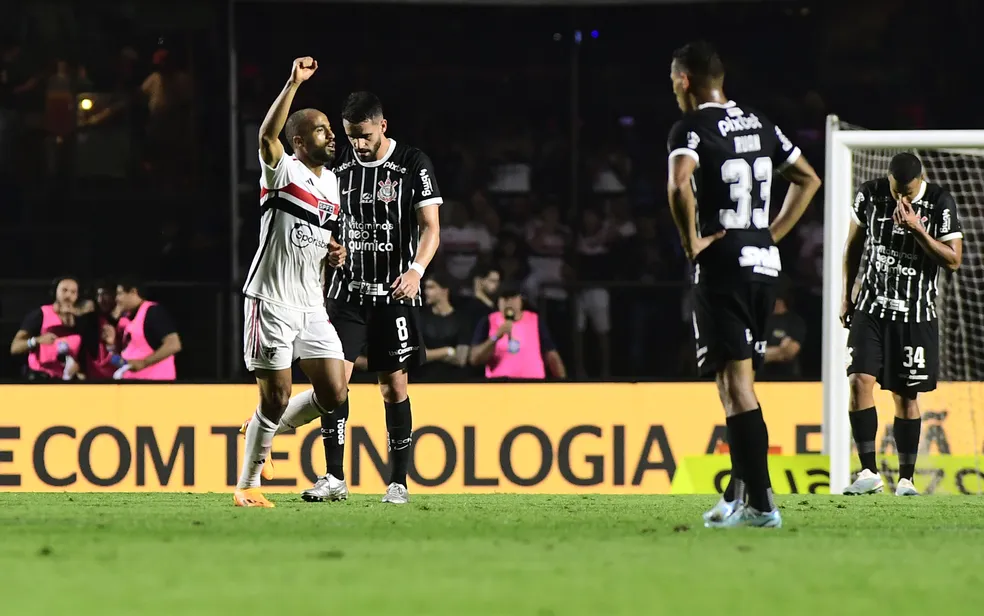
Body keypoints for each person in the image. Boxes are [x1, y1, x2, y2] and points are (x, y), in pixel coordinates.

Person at [666, 41, 821, 528]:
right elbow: (808, 178)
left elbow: (678, 183)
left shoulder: (691, 127)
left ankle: (762, 503)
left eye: (673, 80)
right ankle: (739, 495)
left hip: (724, 264)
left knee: (734, 385)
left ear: (685, 80)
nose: (672, 88)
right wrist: (771, 234)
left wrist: (692, 242)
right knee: (738, 384)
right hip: (764, 263)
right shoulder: (760, 121)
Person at [298, 90, 442, 505]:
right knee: (333, 386)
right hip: (347, 294)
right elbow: (323, 216)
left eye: (363, 135)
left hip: (394, 294)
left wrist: (416, 270)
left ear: (382, 125)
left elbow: (431, 226)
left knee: (393, 388)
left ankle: (397, 481)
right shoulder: (340, 163)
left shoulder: (413, 165)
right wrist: (331, 244)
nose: (357, 144)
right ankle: (334, 478)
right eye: (350, 136)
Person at [234, 57, 349, 508]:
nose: (331, 134)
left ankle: (264, 424)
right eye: (322, 129)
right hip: (270, 300)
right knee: (277, 394)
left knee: (335, 391)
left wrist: (333, 250)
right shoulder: (281, 171)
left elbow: (318, 235)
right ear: (299, 142)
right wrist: (292, 83)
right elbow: (266, 136)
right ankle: (248, 485)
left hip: (311, 305)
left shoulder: (335, 185)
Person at [841, 152, 963, 497]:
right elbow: (852, 246)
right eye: (896, 191)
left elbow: (954, 260)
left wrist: (919, 231)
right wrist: (846, 294)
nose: (900, 199)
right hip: (872, 308)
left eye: (906, 193)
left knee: (905, 395)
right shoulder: (870, 193)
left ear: (918, 182)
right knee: (858, 380)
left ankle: (906, 479)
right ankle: (867, 472)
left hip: (916, 314)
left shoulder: (940, 203)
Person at [468, 281, 567, 380]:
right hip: (499, 385)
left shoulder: (535, 320)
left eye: (514, 297)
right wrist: (496, 336)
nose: (509, 302)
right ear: (498, 301)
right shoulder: (488, 321)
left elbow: (551, 355)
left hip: (532, 384)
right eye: (505, 298)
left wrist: (563, 383)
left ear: (521, 300)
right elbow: (474, 359)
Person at [9, 276, 84, 381]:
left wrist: (78, 367)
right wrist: (37, 340)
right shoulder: (40, 314)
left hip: (66, 382)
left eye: (73, 292)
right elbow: (15, 347)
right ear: (55, 292)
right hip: (39, 379)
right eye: (64, 290)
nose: (68, 295)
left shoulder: (80, 321)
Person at [114, 278, 182, 380]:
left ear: (133, 292)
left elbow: (174, 344)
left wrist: (144, 363)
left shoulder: (153, 312)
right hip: (135, 388)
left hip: (155, 387)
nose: (116, 299)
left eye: (120, 293)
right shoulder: (128, 317)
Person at [413, 272, 472, 382]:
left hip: (454, 382)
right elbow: (417, 356)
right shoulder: (420, 318)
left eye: (431, 287)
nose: (426, 292)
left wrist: (432, 354)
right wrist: (447, 351)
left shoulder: (462, 320)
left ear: (444, 290)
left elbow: (461, 358)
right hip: (423, 381)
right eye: (425, 288)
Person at [758, 289, 807, 381]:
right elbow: (750, 353)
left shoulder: (795, 322)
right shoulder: (759, 320)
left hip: (788, 381)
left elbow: (790, 352)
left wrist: (762, 353)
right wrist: (780, 350)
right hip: (760, 380)